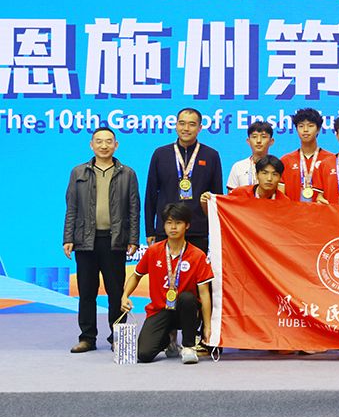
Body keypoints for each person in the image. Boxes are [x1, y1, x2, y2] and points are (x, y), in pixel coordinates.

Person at [64, 127, 141, 353]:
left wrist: (133, 239)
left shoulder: (127, 173)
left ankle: (117, 337)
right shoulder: (78, 172)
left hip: (115, 240)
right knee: (87, 292)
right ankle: (87, 338)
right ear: (91, 145)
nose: (104, 145)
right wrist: (68, 237)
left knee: (116, 292)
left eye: (109, 141)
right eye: (99, 141)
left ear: (116, 145)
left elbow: (134, 209)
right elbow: (71, 208)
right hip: (85, 240)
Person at [122, 203, 213, 364]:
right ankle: (168, 339)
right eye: (169, 222)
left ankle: (188, 346)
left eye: (178, 223)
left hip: (185, 311)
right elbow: (136, 276)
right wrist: (125, 296)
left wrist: (207, 326)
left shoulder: (197, 255)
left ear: (187, 225)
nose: (173, 227)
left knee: (187, 298)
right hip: (159, 310)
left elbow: (204, 293)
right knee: (144, 354)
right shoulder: (153, 251)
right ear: (164, 225)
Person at [145, 108, 223, 253]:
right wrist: (150, 230)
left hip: (198, 229)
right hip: (167, 228)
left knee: (195, 268)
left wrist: (216, 230)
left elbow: (217, 196)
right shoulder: (160, 154)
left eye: (192, 124)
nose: (186, 128)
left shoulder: (211, 155)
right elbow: (151, 195)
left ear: (200, 128)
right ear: (176, 125)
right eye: (182, 123)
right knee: (166, 267)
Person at [203, 156, 289, 214]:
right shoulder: (239, 193)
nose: (269, 178)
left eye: (274, 174)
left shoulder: (285, 202)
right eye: (265, 173)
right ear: (256, 175)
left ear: (280, 178)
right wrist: (206, 205)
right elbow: (222, 216)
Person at [281, 108, 331, 202]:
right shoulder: (286, 160)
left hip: (321, 211)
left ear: (318, 129)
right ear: (296, 129)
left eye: (310, 126)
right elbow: (281, 197)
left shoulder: (330, 160)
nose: (305, 130)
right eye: (301, 126)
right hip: (293, 211)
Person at [226, 121, 275, 192]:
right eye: (254, 137)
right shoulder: (238, 167)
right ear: (248, 141)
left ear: (271, 141)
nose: (258, 141)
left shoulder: (276, 166)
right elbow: (231, 196)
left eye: (263, 137)